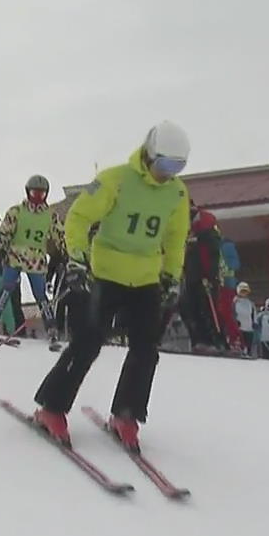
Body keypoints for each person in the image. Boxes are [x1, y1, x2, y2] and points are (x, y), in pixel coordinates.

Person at [31, 120, 191, 450]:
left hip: (146, 278)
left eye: (177, 167)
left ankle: (126, 415)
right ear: (149, 154)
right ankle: (52, 408)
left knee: (146, 349)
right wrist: (76, 258)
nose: (168, 173)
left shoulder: (177, 192)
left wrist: (172, 276)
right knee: (88, 341)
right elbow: (79, 218)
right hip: (104, 273)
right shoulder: (114, 180)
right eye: (164, 164)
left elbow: (176, 238)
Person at [0, 175, 63, 350]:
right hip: (15, 256)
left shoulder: (50, 215)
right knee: (7, 288)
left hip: (36, 260)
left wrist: (67, 253)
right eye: (35, 193)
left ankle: (51, 327)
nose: (37, 197)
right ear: (28, 193)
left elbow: (60, 235)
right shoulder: (16, 212)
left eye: (41, 194)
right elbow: (5, 231)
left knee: (40, 294)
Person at [179, 205, 225, 353]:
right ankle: (198, 340)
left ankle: (217, 341)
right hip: (191, 276)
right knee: (188, 307)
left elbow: (213, 254)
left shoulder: (206, 228)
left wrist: (210, 276)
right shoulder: (185, 230)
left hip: (205, 277)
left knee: (208, 308)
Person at [233, 281, 257, 357]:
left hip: (249, 326)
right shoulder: (235, 301)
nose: (244, 293)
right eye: (242, 291)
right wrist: (235, 321)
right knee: (240, 342)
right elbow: (232, 312)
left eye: (245, 291)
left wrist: (254, 322)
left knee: (249, 341)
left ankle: (249, 353)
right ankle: (240, 352)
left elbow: (253, 313)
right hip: (239, 326)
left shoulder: (250, 303)